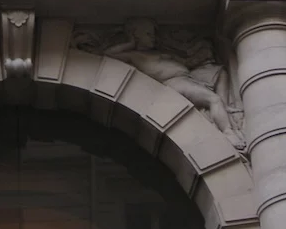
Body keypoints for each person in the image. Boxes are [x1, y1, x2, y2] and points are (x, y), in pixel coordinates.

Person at [105, 19, 245, 149]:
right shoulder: (134, 56)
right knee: (212, 99)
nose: (153, 37)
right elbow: (107, 55)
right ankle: (228, 132)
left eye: (153, 34)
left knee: (220, 71)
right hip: (173, 84)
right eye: (148, 34)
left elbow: (186, 62)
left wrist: (200, 54)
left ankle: (225, 106)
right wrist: (129, 43)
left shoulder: (160, 53)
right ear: (135, 35)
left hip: (189, 77)